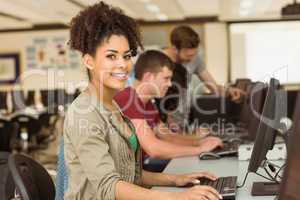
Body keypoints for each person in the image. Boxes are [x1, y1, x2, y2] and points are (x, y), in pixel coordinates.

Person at [63, 2, 222, 200]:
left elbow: (131, 175)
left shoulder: (115, 106)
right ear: (89, 61)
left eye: (127, 56)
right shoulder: (85, 113)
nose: (122, 64)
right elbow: (108, 186)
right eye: (111, 56)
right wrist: (177, 197)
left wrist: (176, 180)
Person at [114, 50, 223, 172]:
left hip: (140, 169)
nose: (170, 84)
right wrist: (199, 149)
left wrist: (198, 142)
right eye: (166, 78)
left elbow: (167, 136)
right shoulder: (128, 99)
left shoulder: (147, 103)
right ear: (149, 77)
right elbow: (153, 148)